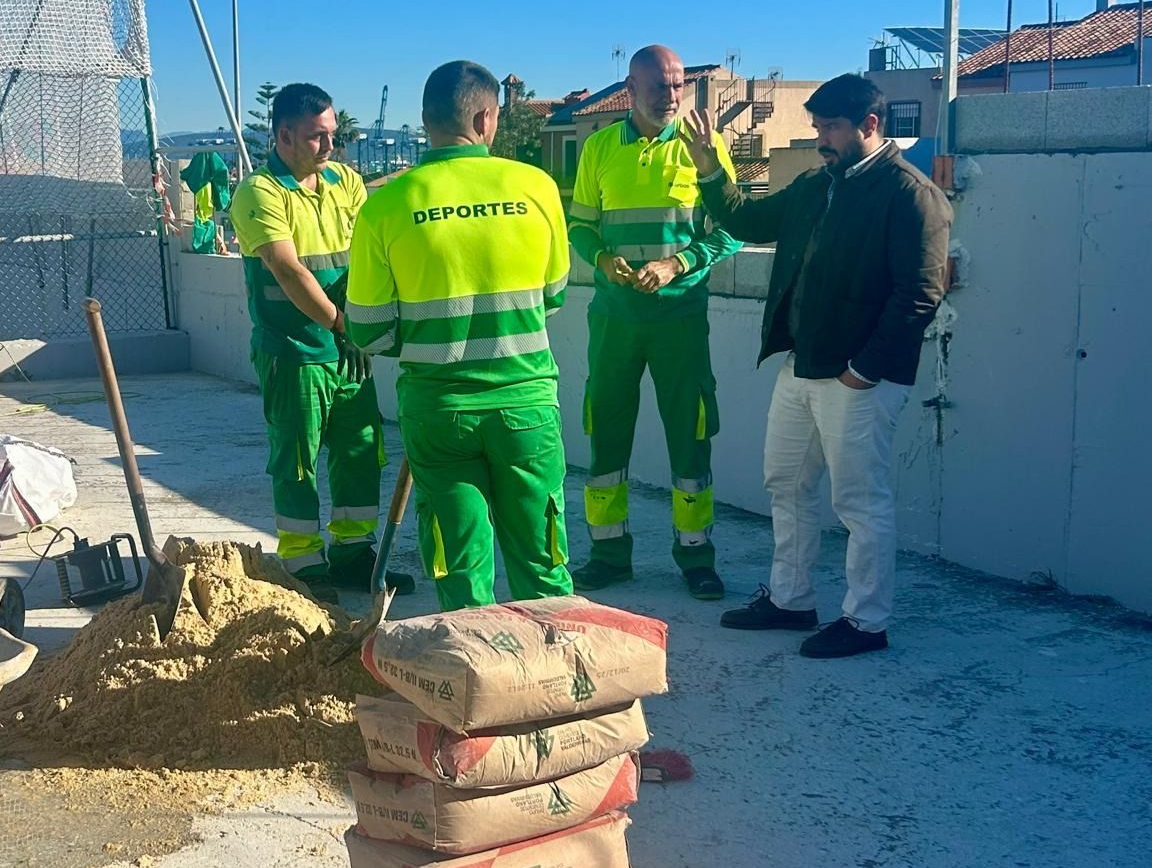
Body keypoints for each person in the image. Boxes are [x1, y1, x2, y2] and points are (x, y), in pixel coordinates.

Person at [679, 73, 952, 658]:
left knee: (858, 501)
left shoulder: (911, 195)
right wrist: (709, 170)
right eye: (817, 127)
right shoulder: (816, 184)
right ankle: (790, 600)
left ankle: (866, 622)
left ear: (869, 125)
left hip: (858, 377)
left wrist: (863, 370)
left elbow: (920, 295)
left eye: (830, 128)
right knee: (785, 483)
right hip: (803, 364)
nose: (821, 139)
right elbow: (749, 222)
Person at [345, 61, 572, 609]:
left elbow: (367, 331)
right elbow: (553, 296)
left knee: (461, 571)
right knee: (543, 566)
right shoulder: (536, 188)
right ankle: (557, 660)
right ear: (487, 118)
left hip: (438, 412)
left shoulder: (386, 205)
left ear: (426, 122)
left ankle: (475, 660)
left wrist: (430, 334)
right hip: (526, 404)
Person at [567, 45, 742, 601]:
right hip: (614, 320)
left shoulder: (705, 146)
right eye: (659, 85)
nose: (670, 96)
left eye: (677, 85)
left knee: (690, 436)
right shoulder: (598, 148)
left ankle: (696, 557)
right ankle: (608, 554)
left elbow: (733, 229)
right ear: (630, 87)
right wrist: (602, 259)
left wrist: (678, 264)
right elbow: (580, 227)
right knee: (606, 435)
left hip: (680, 318)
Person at [229, 83, 414, 602]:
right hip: (295, 350)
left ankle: (353, 553)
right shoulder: (260, 192)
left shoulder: (345, 182)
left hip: (347, 346)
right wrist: (344, 326)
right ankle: (302, 561)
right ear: (284, 136)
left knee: (361, 449)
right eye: (318, 137)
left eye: (333, 135)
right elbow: (288, 271)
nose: (331, 146)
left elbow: (369, 257)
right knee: (297, 458)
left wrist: (360, 327)